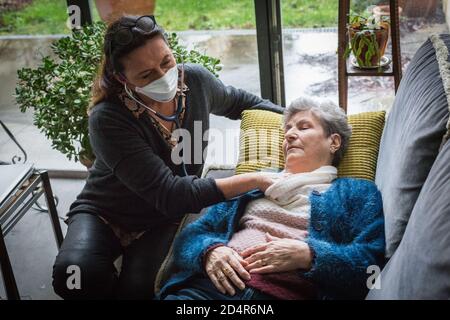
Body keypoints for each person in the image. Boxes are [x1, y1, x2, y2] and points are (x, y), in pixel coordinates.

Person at [52, 15, 283, 300]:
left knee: (138, 291)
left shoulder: (196, 81)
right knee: (74, 276)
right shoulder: (107, 119)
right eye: (146, 75)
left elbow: (242, 103)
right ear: (122, 79)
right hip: (107, 213)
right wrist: (255, 179)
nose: (163, 77)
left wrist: (303, 120)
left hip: (164, 218)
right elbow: (170, 193)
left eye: (166, 62)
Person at [158, 97, 386, 300]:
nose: (289, 134)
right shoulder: (253, 186)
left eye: (303, 127)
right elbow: (189, 237)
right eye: (287, 129)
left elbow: (371, 269)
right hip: (205, 292)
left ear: (333, 142)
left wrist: (310, 256)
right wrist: (210, 252)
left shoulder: (357, 192)